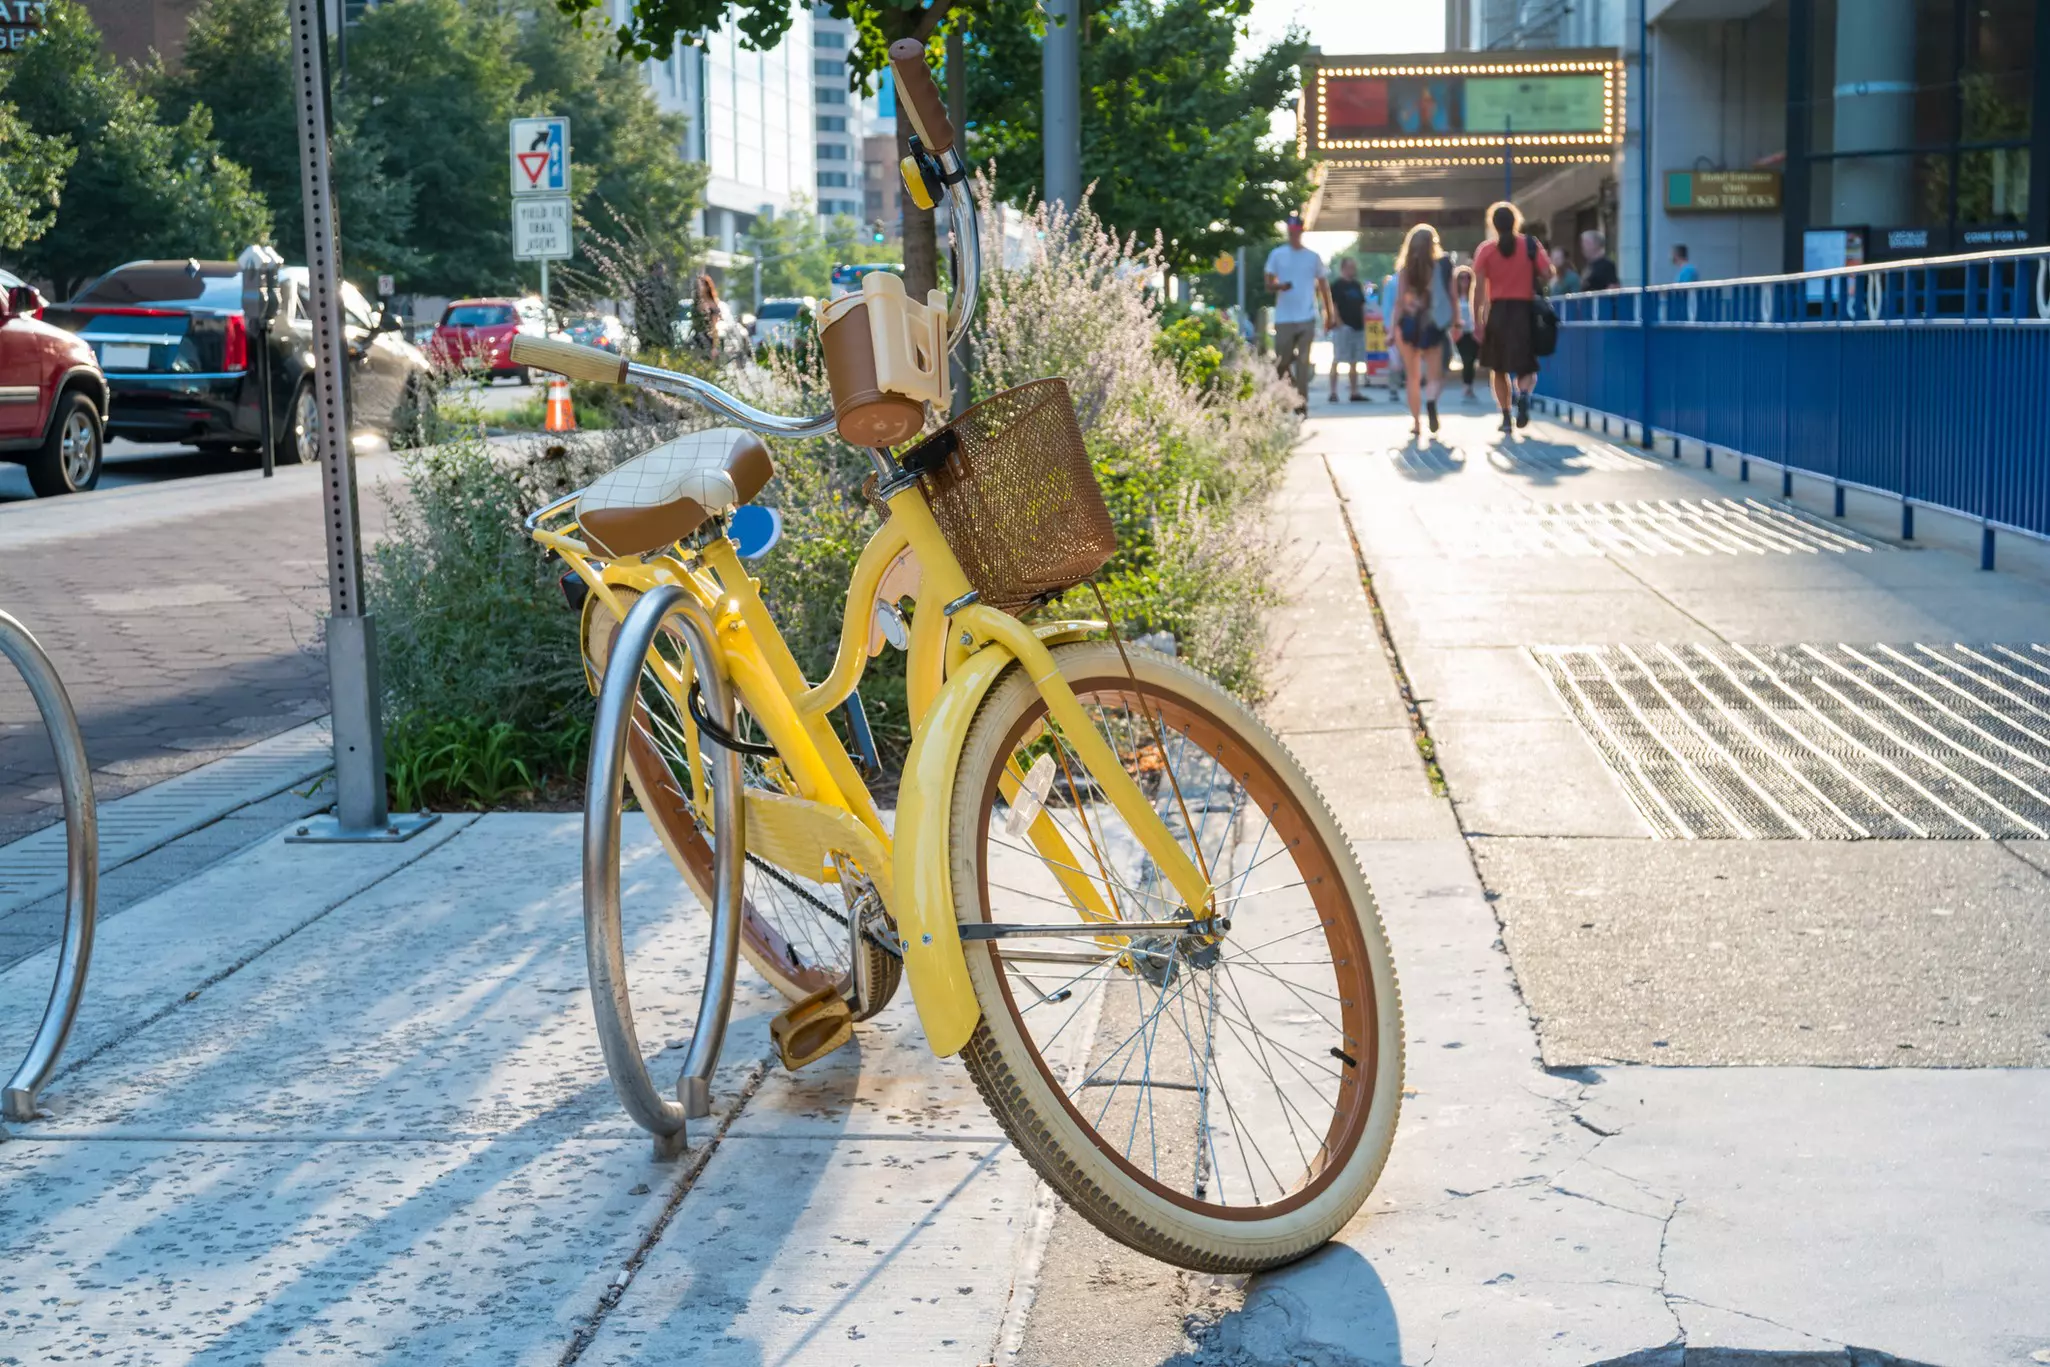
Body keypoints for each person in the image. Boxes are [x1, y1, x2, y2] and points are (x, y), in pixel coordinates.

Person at [1473, 200, 1552, 433]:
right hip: (1524, 312)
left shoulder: (1486, 251)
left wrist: (1477, 319)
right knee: (1526, 365)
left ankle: (1506, 417)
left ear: (1493, 225)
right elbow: (1548, 273)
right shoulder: (1530, 245)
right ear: (1516, 221)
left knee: (1498, 368)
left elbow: (1477, 289)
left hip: (1498, 313)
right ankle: (1524, 395)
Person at [1392, 223, 1457, 437]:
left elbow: (1400, 302)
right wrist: (1456, 322)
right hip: (1433, 326)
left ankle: (1416, 423)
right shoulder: (1443, 266)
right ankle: (1430, 401)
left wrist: (1392, 331)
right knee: (1434, 376)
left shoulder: (1405, 270)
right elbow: (1452, 297)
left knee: (1412, 377)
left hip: (1409, 326)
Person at [1264, 213, 1332, 413]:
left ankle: (1302, 402)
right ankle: (1292, 391)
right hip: (1284, 317)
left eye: (1297, 232)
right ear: (1288, 232)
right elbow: (1268, 284)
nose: (1294, 235)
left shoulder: (1313, 257)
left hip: (1306, 317)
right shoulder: (1277, 255)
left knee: (1303, 360)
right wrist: (1279, 286)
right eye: (1291, 232)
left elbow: (1324, 286)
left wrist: (1330, 313)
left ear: (1302, 232)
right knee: (1281, 361)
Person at [1327, 256, 1369, 403]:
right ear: (1343, 268)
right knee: (1338, 358)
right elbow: (1333, 306)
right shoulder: (1337, 286)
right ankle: (1333, 392)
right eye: (1350, 267)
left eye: (1354, 267)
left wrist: (1364, 323)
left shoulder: (1357, 286)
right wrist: (1338, 323)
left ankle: (1354, 392)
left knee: (1355, 361)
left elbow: (1362, 305)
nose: (1353, 270)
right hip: (1343, 327)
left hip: (1358, 327)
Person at [1451, 263, 1480, 401]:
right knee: (1466, 359)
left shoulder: (1474, 296)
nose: (1465, 281)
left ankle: (1469, 386)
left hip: (1473, 331)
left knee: (1472, 360)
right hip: (1460, 333)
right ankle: (1467, 387)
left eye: (1468, 277)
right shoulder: (1454, 297)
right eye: (1461, 278)